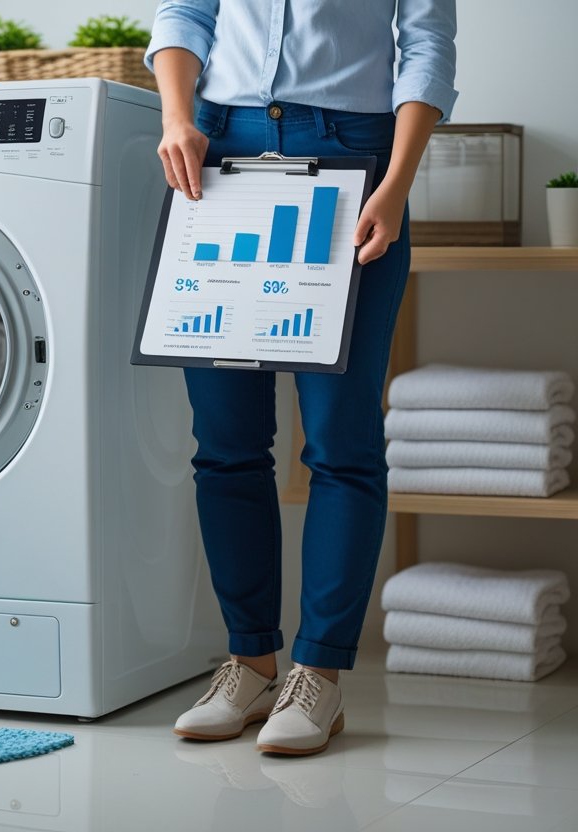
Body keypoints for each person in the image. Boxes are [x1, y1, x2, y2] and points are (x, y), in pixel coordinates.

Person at [146, 0, 458, 756]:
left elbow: (426, 46)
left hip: (357, 157)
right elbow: (184, 14)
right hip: (218, 149)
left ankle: (318, 674)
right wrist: (176, 117)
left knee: (340, 441)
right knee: (224, 440)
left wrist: (398, 182)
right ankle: (250, 662)